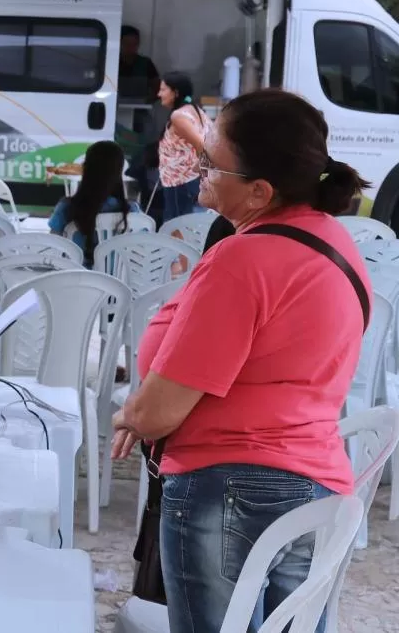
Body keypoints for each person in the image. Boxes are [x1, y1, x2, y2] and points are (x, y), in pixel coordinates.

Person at [111, 88, 372, 633]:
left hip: (229, 490)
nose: (199, 170)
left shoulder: (243, 260)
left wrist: (131, 414)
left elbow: (159, 412)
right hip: (315, 486)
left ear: (259, 191)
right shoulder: (336, 242)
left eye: (212, 162)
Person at [48, 141, 141, 267]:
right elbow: (141, 249)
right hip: (120, 279)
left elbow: (53, 247)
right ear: (119, 171)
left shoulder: (66, 208)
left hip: (75, 277)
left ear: (85, 168)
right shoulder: (132, 211)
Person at [157, 72, 213, 221]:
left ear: (175, 92)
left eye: (163, 90)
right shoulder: (197, 111)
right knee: (190, 226)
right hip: (188, 182)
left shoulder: (179, 116)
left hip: (180, 183)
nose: (159, 94)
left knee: (176, 228)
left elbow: (202, 145)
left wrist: (200, 169)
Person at [118, 25, 160, 103]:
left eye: (134, 44)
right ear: (119, 43)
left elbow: (158, 89)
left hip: (140, 107)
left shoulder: (146, 63)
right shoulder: (112, 63)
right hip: (114, 106)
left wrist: (148, 100)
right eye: (126, 44)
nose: (130, 48)